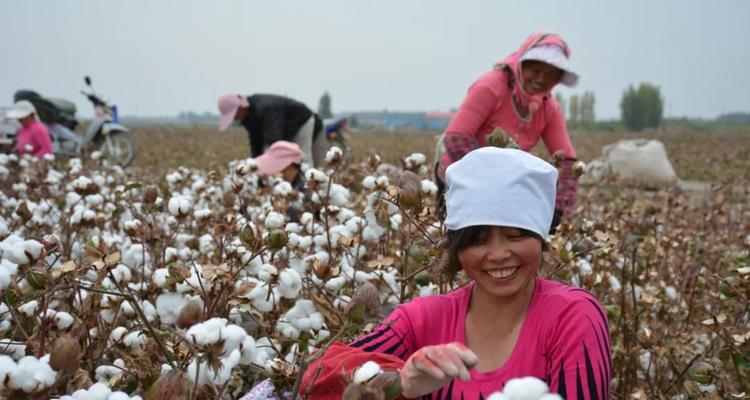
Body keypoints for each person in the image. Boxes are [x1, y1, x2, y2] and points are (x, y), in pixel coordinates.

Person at [293, 147, 611, 399]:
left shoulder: (571, 315)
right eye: (478, 239)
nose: (498, 254)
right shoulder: (422, 320)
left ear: (542, 238)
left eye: (517, 236)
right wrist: (398, 380)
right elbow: (313, 375)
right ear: (457, 248)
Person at [435, 32, 581, 231]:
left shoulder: (548, 107)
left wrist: (557, 210)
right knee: (463, 242)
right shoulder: (491, 86)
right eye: (535, 70)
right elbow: (456, 137)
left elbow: (568, 163)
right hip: (461, 178)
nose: (540, 79)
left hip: (508, 187)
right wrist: (489, 180)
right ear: (522, 64)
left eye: (550, 75)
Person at [218, 93, 327, 167]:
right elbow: (256, 142)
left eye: (233, 114)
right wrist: (255, 164)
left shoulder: (266, 107)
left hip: (303, 121)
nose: (234, 118)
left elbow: (273, 140)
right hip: (286, 129)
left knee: (302, 158)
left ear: (240, 107)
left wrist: (265, 163)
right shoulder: (248, 117)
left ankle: (308, 193)